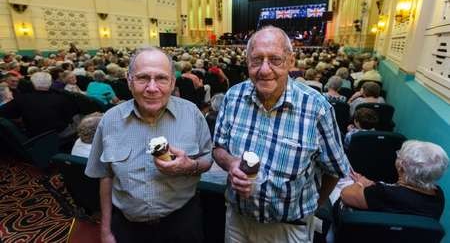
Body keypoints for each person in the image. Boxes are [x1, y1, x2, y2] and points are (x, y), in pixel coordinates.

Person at [213, 26, 350, 243]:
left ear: (290, 61)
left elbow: (334, 170)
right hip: (238, 223)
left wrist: (311, 207)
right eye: (257, 60)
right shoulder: (232, 97)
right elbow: (218, 148)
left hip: (289, 230)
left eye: (275, 60)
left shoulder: (317, 108)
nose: (264, 70)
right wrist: (230, 163)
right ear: (247, 62)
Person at [85, 47, 213, 243]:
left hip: (182, 223)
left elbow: (207, 159)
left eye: (161, 78)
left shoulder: (192, 114)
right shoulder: (110, 120)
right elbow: (105, 176)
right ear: (129, 81)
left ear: (172, 83)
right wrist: (105, 229)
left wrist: (190, 166)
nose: (152, 88)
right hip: (128, 228)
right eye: (143, 78)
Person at [341, 140, 448, 220]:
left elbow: (346, 195)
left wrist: (361, 183)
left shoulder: (384, 193)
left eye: (399, 154)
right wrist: (372, 187)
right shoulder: (438, 195)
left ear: (401, 166)